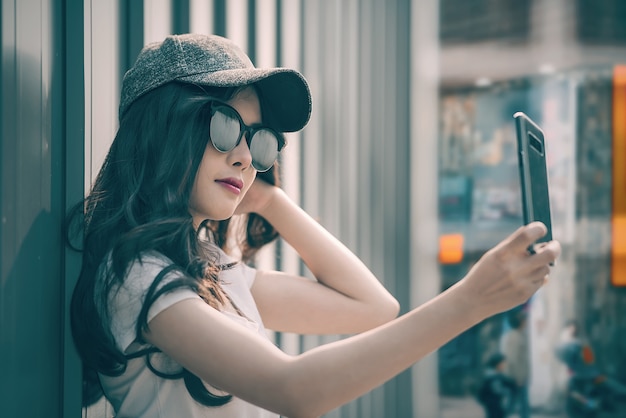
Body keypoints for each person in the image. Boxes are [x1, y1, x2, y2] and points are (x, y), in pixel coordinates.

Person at [68, 33, 561, 418]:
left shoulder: (210, 271)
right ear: (163, 130)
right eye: (224, 128)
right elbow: (295, 390)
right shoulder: (137, 277)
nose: (245, 158)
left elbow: (371, 307)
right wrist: (472, 299)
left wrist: (270, 200)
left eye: (258, 142)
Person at [501, 308, 530, 418]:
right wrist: (518, 378)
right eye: (524, 320)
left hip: (521, 377)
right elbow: (513, 359)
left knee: (517, 404)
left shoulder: (520, 335)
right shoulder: (514, 336)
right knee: (515, 404)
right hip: (517, 377)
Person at [477, 353, 517, 418]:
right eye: (503, 363)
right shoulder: (493, 378)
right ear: (497, 364)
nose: (505, 365)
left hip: (496, 408)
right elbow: (484, 394)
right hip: (495, 408)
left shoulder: (496, 377)